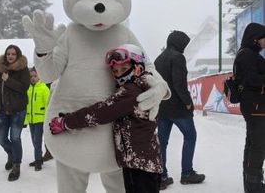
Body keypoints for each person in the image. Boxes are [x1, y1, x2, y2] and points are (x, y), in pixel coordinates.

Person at [49, 44, 166, 193]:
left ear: (138, 68)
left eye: (124, 69)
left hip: (140, 165)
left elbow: (101, 112)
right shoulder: (140, 85)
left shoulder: (131, 91)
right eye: (116, 71)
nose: (119, 75)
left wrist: (67, 122)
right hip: (143, 162)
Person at [154, 30, 205, 190]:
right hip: (178, 108)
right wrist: (188, 102)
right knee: (190, 136)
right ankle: (187, 173)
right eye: (184, 43)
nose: (185, 47)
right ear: (178, 42)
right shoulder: (177, 57)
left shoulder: (159, 58)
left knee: (162, 142)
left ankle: (161, 176)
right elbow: (179, 83)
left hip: (162, 108)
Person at [0, 44, 30, 181]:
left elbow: (24, 88)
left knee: (15, 138)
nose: (10, 56)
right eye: (8, 54)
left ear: (18, 55)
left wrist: (8, 80)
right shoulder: (0, 70)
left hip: (18, 110)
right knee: (1, 138)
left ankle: (16, 165)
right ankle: (11, 154)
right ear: (6, 55)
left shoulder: (23, 70)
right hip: (2, 110)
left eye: (13, 54)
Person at [233, 22, 265, 193]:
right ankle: (254, 185)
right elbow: (251, 79)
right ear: (255, 39)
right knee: (258, 145)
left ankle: (251, 183)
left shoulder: (248, 54)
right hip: (255, 106)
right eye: (263, 38)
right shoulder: (247, 55)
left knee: (253, 143)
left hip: (255, 105)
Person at [24, 67, 50, 171]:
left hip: (40, 119)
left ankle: (38, 161)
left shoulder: (44, 88)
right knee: (34, 141)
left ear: (39, 76)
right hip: (31, 119)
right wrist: (25, 120)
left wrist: (48, 118)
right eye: (31, 76)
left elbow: (48, 104)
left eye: (35, 76)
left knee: (37, 141)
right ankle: (38, 158)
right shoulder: (28, 89)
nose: (33, 78)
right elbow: (26, 106)